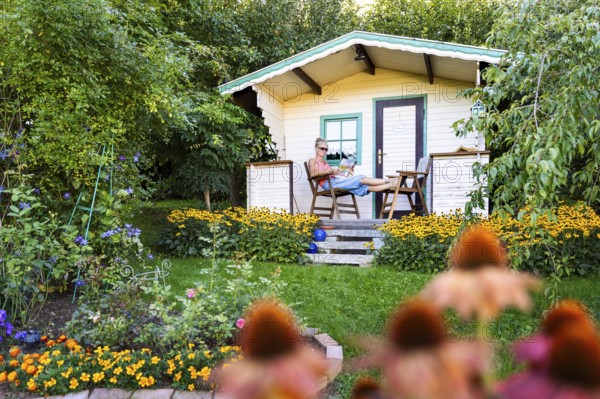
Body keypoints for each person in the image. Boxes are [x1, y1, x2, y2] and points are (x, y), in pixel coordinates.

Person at [308, 137, 396, 196]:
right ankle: (388, 181)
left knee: (364, 188)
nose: (324, 151)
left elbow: (335, 174)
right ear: (316, 148)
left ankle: (391, 184)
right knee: (360, 178)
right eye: (322, 148)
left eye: (326, 149)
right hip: (329, 184)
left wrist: (347, 170)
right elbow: (313, 175)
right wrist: (330, 171)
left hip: (336, 180)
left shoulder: (325, 162)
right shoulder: (312, 160)